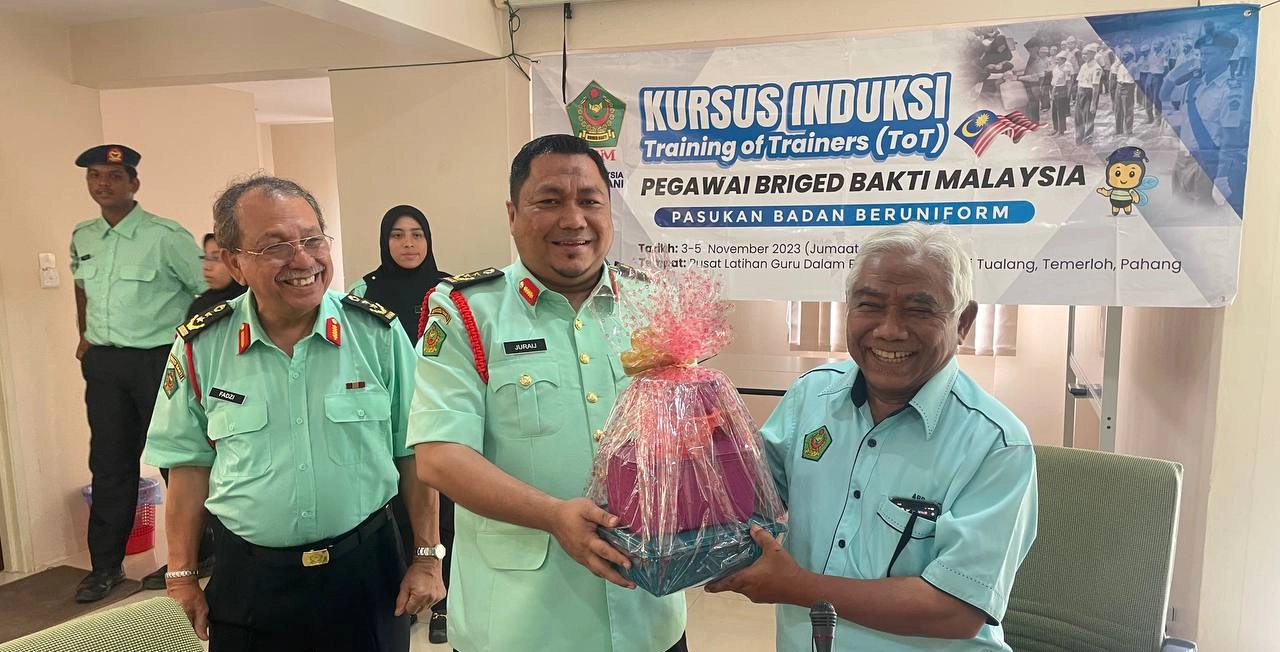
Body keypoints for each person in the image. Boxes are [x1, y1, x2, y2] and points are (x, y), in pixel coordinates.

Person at [409, 134, 687, 652]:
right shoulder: (467, 311)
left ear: (609, 211)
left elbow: (687, 435)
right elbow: (439, 457)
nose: (573, 220)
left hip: (649, 615)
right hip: (521, 625)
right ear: (513, 214)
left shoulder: (653, 304)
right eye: (550, 201)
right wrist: (552, 515)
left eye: (589, 201)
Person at [143, 176, 445, 652]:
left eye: (312, 240)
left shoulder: (377, 335)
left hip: (366, 572)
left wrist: (427, 556)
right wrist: (181, 575)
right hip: (249, 582)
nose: (302, 260)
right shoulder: (201, 347)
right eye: (275, 246)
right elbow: (188, 466)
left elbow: (415, 452)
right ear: (235, 262)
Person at [706, 224, 1038, 652]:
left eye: (919, 310)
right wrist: (675, 473)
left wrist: (796, 586)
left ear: (964, 322)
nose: (889, 330)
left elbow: (955, 610)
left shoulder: (996, 444)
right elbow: (744, 500)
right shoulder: (812, 395)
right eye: (870, 305)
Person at [69, 144, 206, 603]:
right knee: (109, 463)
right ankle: (105, 567)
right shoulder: (84, 236)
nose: (102, 184)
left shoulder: (165, 236)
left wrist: (192, 351)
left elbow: (205, 293)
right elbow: (81, 287)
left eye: (113, 176)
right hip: (105, 365)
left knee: (176, 459)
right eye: (94, 176)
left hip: (158, 361)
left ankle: (197, 553)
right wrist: (84, 336)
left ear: (134, 183)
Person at [349, 204, 454, 645]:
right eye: (397, 235)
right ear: (384, 241)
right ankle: (407, 594)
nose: (408, 244)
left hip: (441, 414)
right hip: (389, 418)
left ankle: (445, 602)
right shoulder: (363, 292)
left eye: (417, 234)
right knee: (396, 506)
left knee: (444, 509)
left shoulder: (449, 290)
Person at [141, 233, 246, 591]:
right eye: (207, 257)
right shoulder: (203, 313)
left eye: (216, 257)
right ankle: (197, 552)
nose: (208, 266)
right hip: (205, 420)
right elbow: (184, 458)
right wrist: (180, 572)